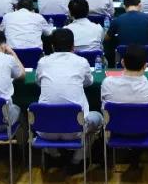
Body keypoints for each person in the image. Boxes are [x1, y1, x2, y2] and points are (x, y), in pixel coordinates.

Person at [35, 28, 102, 172]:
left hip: (46, 128)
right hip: (75, 129)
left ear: (52, 46)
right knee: (98, 118)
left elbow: (38, 82)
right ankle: (77, 160)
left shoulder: (43, 62)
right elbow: (89, 82)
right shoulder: (81, 62)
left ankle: (55, 156)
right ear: (73, 46)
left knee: (40, 115)